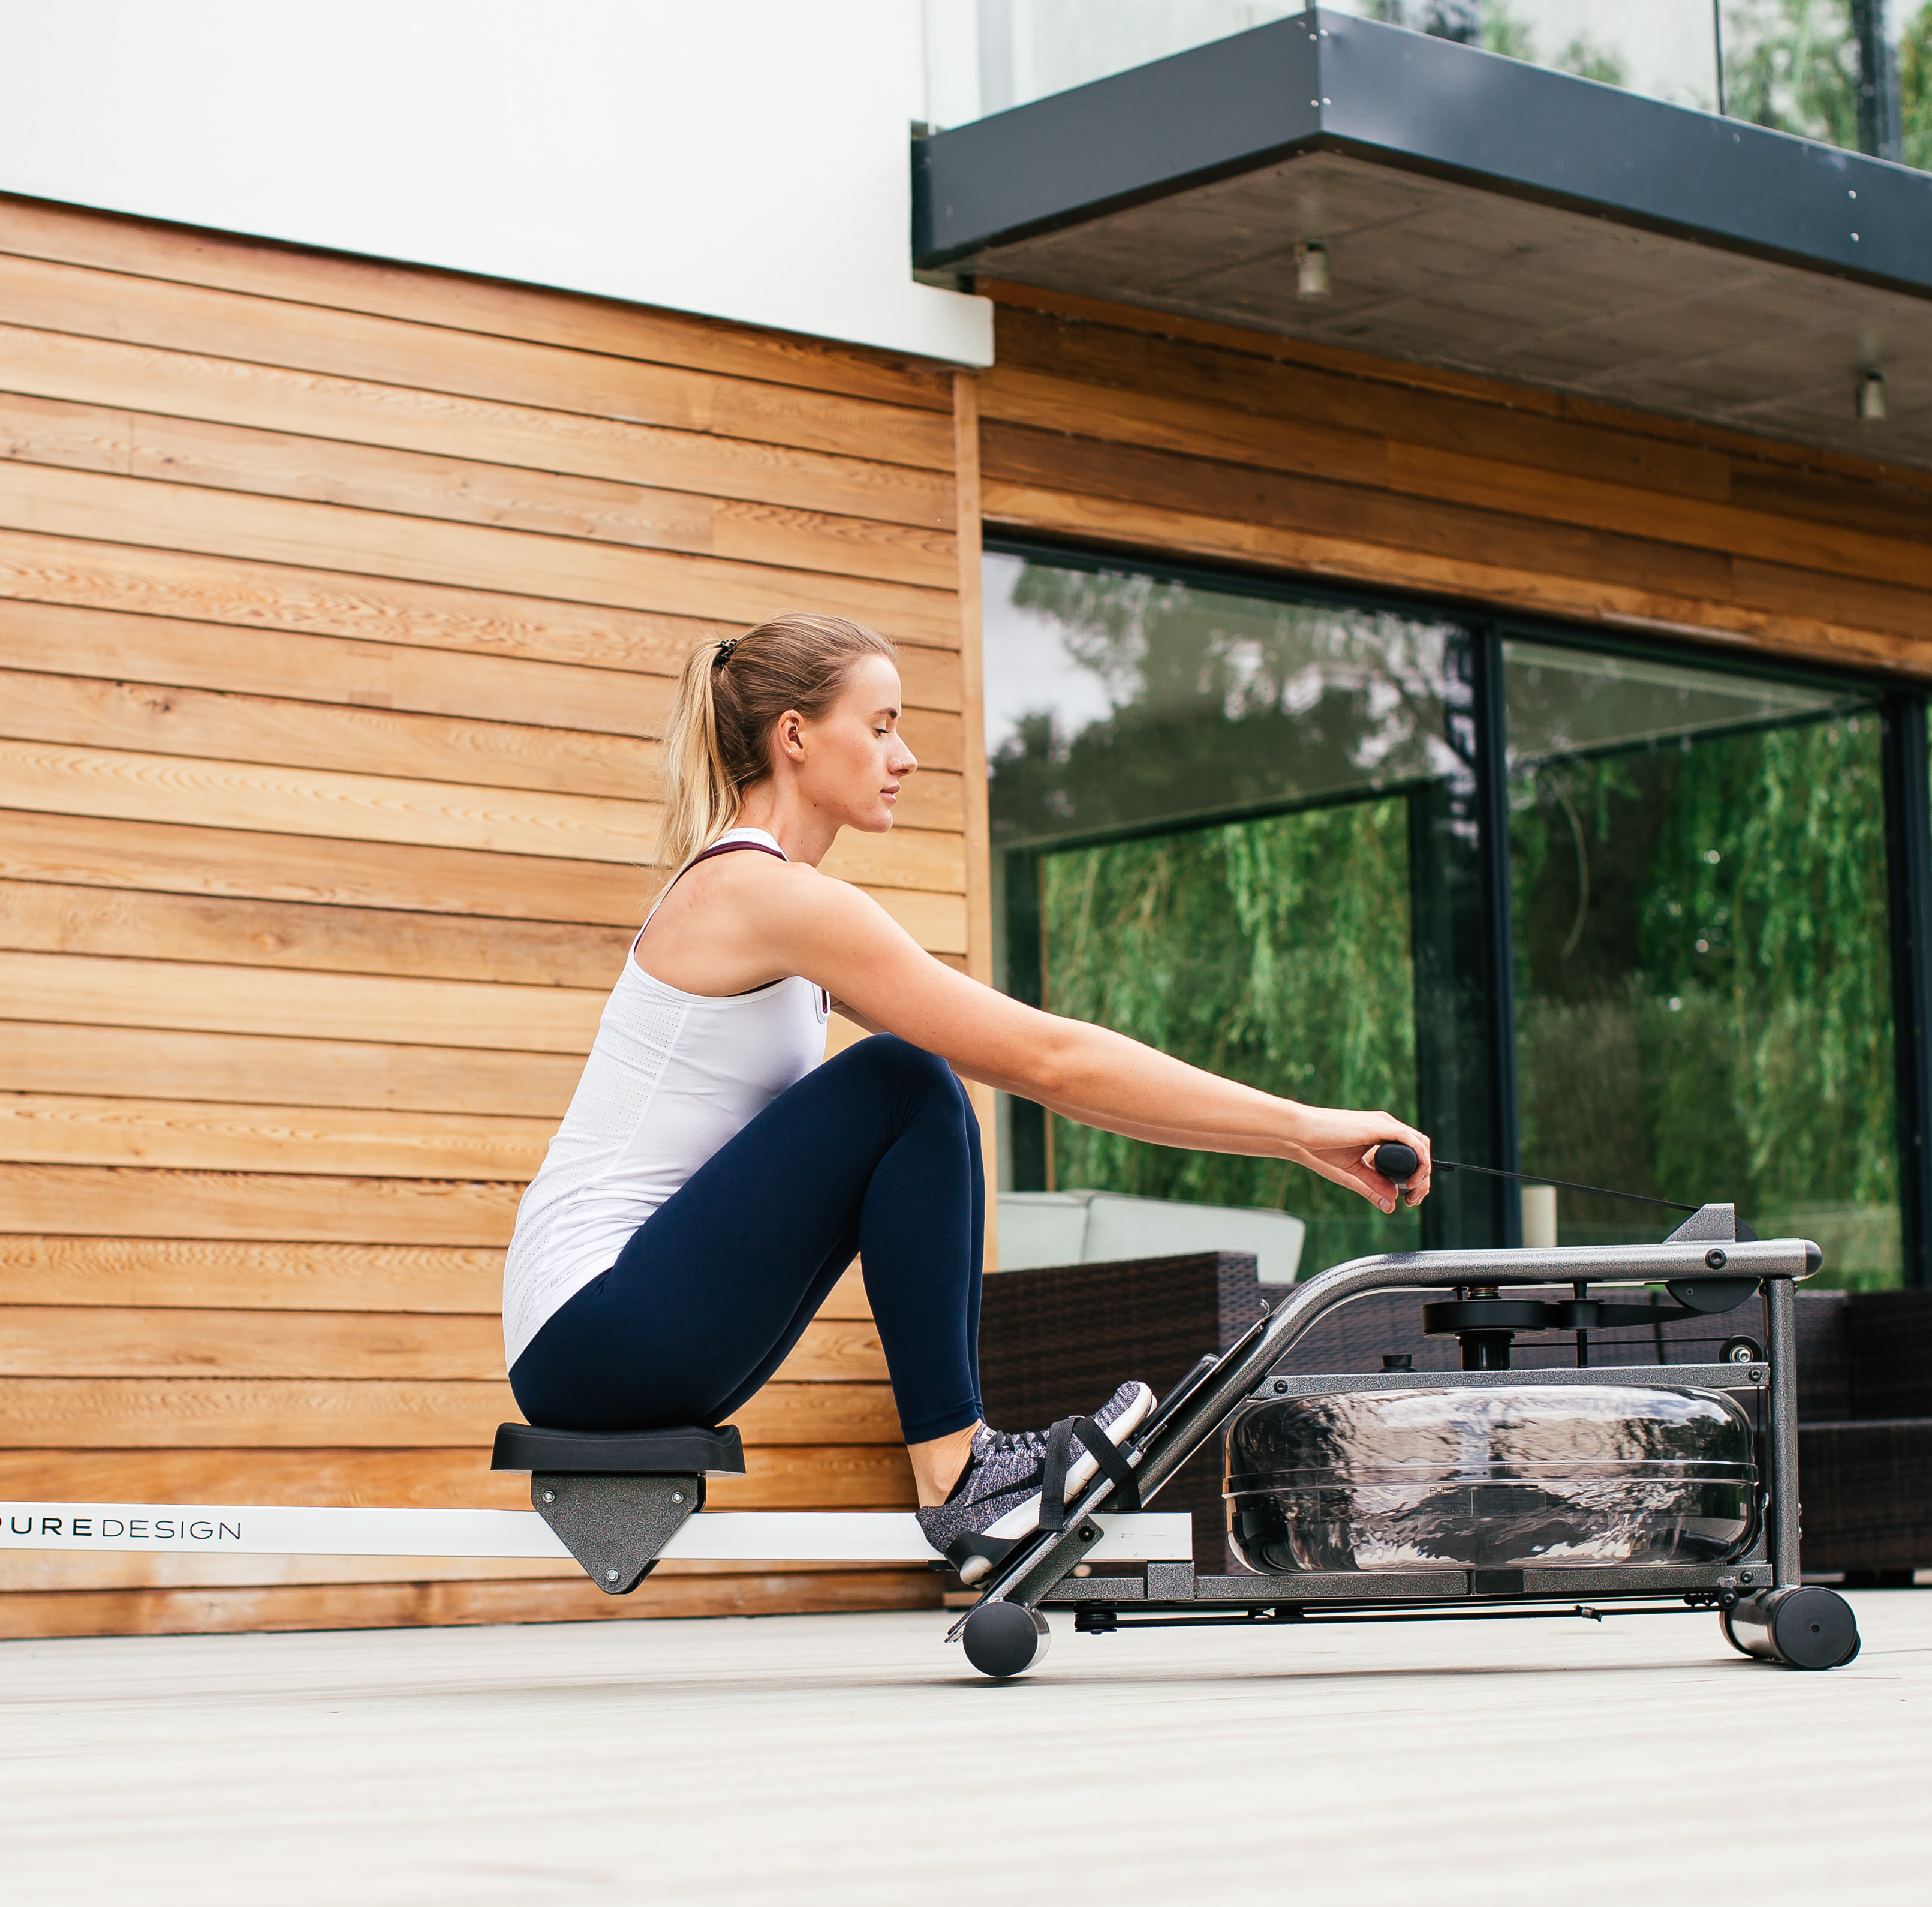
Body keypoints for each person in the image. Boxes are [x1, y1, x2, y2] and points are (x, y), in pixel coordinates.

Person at [501, 612, 1434, 1575]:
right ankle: (963, 1476)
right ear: (794, 736)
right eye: (880, 726)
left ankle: (968, 1473)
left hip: (608, 1338)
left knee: (911, 1088)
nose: (904, 756)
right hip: (592, 1325)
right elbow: (1049, 1060)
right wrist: (1302, 1124)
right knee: (904, 1081)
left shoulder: (777, 904)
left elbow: (1058, 1080)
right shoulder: (760, 893)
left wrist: (1293, 1143)